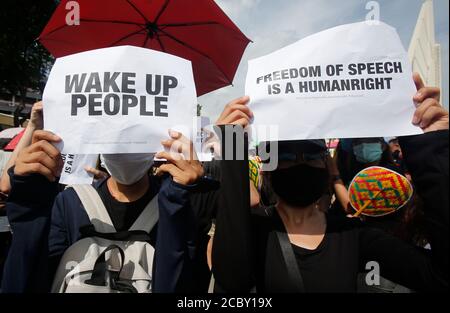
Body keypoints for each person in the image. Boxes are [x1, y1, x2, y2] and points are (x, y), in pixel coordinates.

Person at [211, 74, 449, 293]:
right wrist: (232, 148)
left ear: (327, 166)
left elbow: (439, 277)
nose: (301, 163)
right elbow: (231, 279)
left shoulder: (353, 235)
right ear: (270, 170)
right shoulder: (252, 229)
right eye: (287, 157)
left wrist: (432, 146)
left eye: (312, 155)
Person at [1, 126, 209, 293]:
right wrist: (30, 203)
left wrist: (231, 136)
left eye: (137, 134)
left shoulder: (182, 202)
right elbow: (31, 276)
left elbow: (192, 279)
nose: (126, 145)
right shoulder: (70, 203)